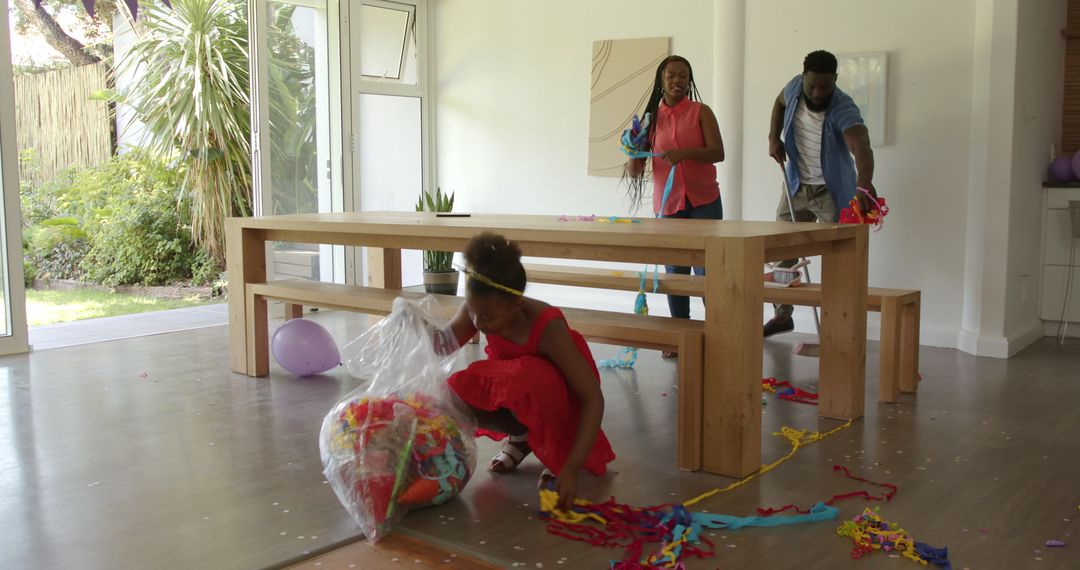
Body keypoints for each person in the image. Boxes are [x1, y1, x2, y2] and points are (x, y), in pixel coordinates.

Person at [443, 232, 616, 510]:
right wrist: (408, 325)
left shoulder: (548, 326)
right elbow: (443, 343)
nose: (478, 323)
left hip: (561, 402)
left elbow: (592, 398)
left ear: (517, 305)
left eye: (487, 317)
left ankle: (557, 454)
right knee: (455, 390)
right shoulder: (482, 307)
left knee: (524, 378)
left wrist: (571, 468)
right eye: (473, 312)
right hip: (519, 390)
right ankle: (523, 437)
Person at [763, 49, 878, 338]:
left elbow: (861, 146)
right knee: (781, 250)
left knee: (841, 258)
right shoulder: (793, 88)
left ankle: (838, 326)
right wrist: (773, 137)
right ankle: (782, 315)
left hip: (832, 192)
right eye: (811, 85)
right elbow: (778, 104)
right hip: (796, 185)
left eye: (824, 86)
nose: (816, 92)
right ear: (803, 78)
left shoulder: (843, 108)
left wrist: (864, 184)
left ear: (835, 80)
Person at [626, 55, 725, 356]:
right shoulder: (649, 120)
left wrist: (685, 154)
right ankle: (681, 336)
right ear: (661, 81)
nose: (677, 81)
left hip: (704, 199)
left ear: (689, 80)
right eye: (671, 76)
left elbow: (718, 152)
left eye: (683, 76)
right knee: (675, 273)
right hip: (668, 204)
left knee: (708, 271)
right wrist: (633, 147)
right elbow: (635, 170)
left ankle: (718, 335)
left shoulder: (701, 112)